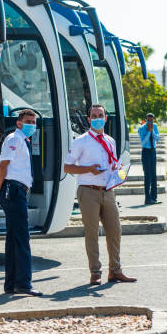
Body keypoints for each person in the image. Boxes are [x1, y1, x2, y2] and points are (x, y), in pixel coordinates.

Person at [64, 104, 137, 285]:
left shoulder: (110, 141)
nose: (97, 118)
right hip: (88, 191)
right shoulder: (81, 141)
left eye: (100, 115)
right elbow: (67, 167)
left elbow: (111, 164)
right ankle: (95, 272)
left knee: (115, 230)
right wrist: (88, 169)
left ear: (105, 118)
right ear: (89, 119)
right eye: (93, 115)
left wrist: (117, 170)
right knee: (92, 232)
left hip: (108, 191)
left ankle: (115, 270)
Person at [0, 109, 42, 296]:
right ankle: (23, 284)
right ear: (19, 123)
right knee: (22, 238)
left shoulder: (22, 140)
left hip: (16, 190)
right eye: (28, 121)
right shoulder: (14, 139)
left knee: (13, 240)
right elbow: (2, 167)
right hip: (14, 190)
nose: (32, 125)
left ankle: (11, 284)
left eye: (34, 122)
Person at [138, 113, 161, 205]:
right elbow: (143, 143)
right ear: (146, 120)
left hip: (153, 151)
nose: (150, 122)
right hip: (146, 152)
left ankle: (154, 198)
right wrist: (148, 132)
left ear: (154, 120)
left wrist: (152, 132)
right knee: (147, 176)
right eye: (148, 120)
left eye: (151, 120)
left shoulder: (155, 126)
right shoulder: (141, 128)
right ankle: (147, 199)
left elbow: (158, 139)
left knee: (154, 175)